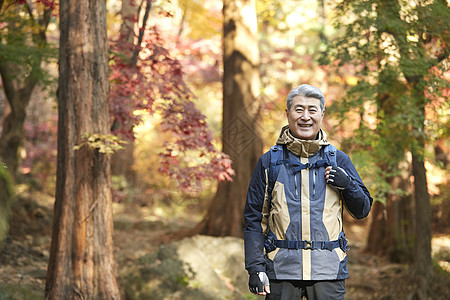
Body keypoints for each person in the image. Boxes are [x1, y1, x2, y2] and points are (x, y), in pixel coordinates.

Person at [243, 84, 373, 299]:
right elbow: (254, 219)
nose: (305, 116)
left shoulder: (338, 159)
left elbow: (362, 210)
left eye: (312, 110)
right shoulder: (269, 161)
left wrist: (347, 184)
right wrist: (255, 268)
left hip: (328, 271)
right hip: (281, 270)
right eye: (298, 109)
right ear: (287, 114)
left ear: (322, 114)